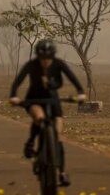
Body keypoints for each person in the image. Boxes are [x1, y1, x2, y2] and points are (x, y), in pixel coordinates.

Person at [8, 39, 86, 188]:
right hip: (34, 99)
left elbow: (73, 80)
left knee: (58, 135)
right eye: (42, 59)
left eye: (48, 59)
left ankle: (62, 173)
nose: (45, 62)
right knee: (39, 117)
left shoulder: (59, 64)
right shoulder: (31, 65)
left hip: (53, 100)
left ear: (53, 56)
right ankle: (31, 141)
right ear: (38, 57)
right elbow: (18, 81)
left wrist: (81, 93)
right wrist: (13, 96)